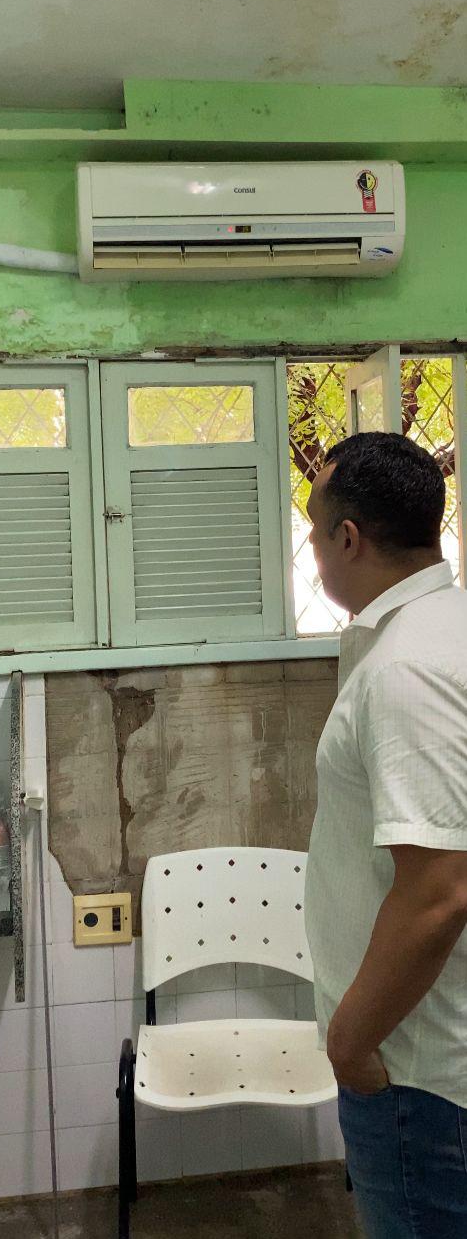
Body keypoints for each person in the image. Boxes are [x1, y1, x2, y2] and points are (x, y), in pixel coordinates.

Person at [304, 431, 467, 1238]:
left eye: (314, 532)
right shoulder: (437, 628)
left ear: (347, 538)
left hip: (415, 1074)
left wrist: (349, 1042)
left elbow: (439, 893)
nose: (313, 552)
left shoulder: (407, 668)